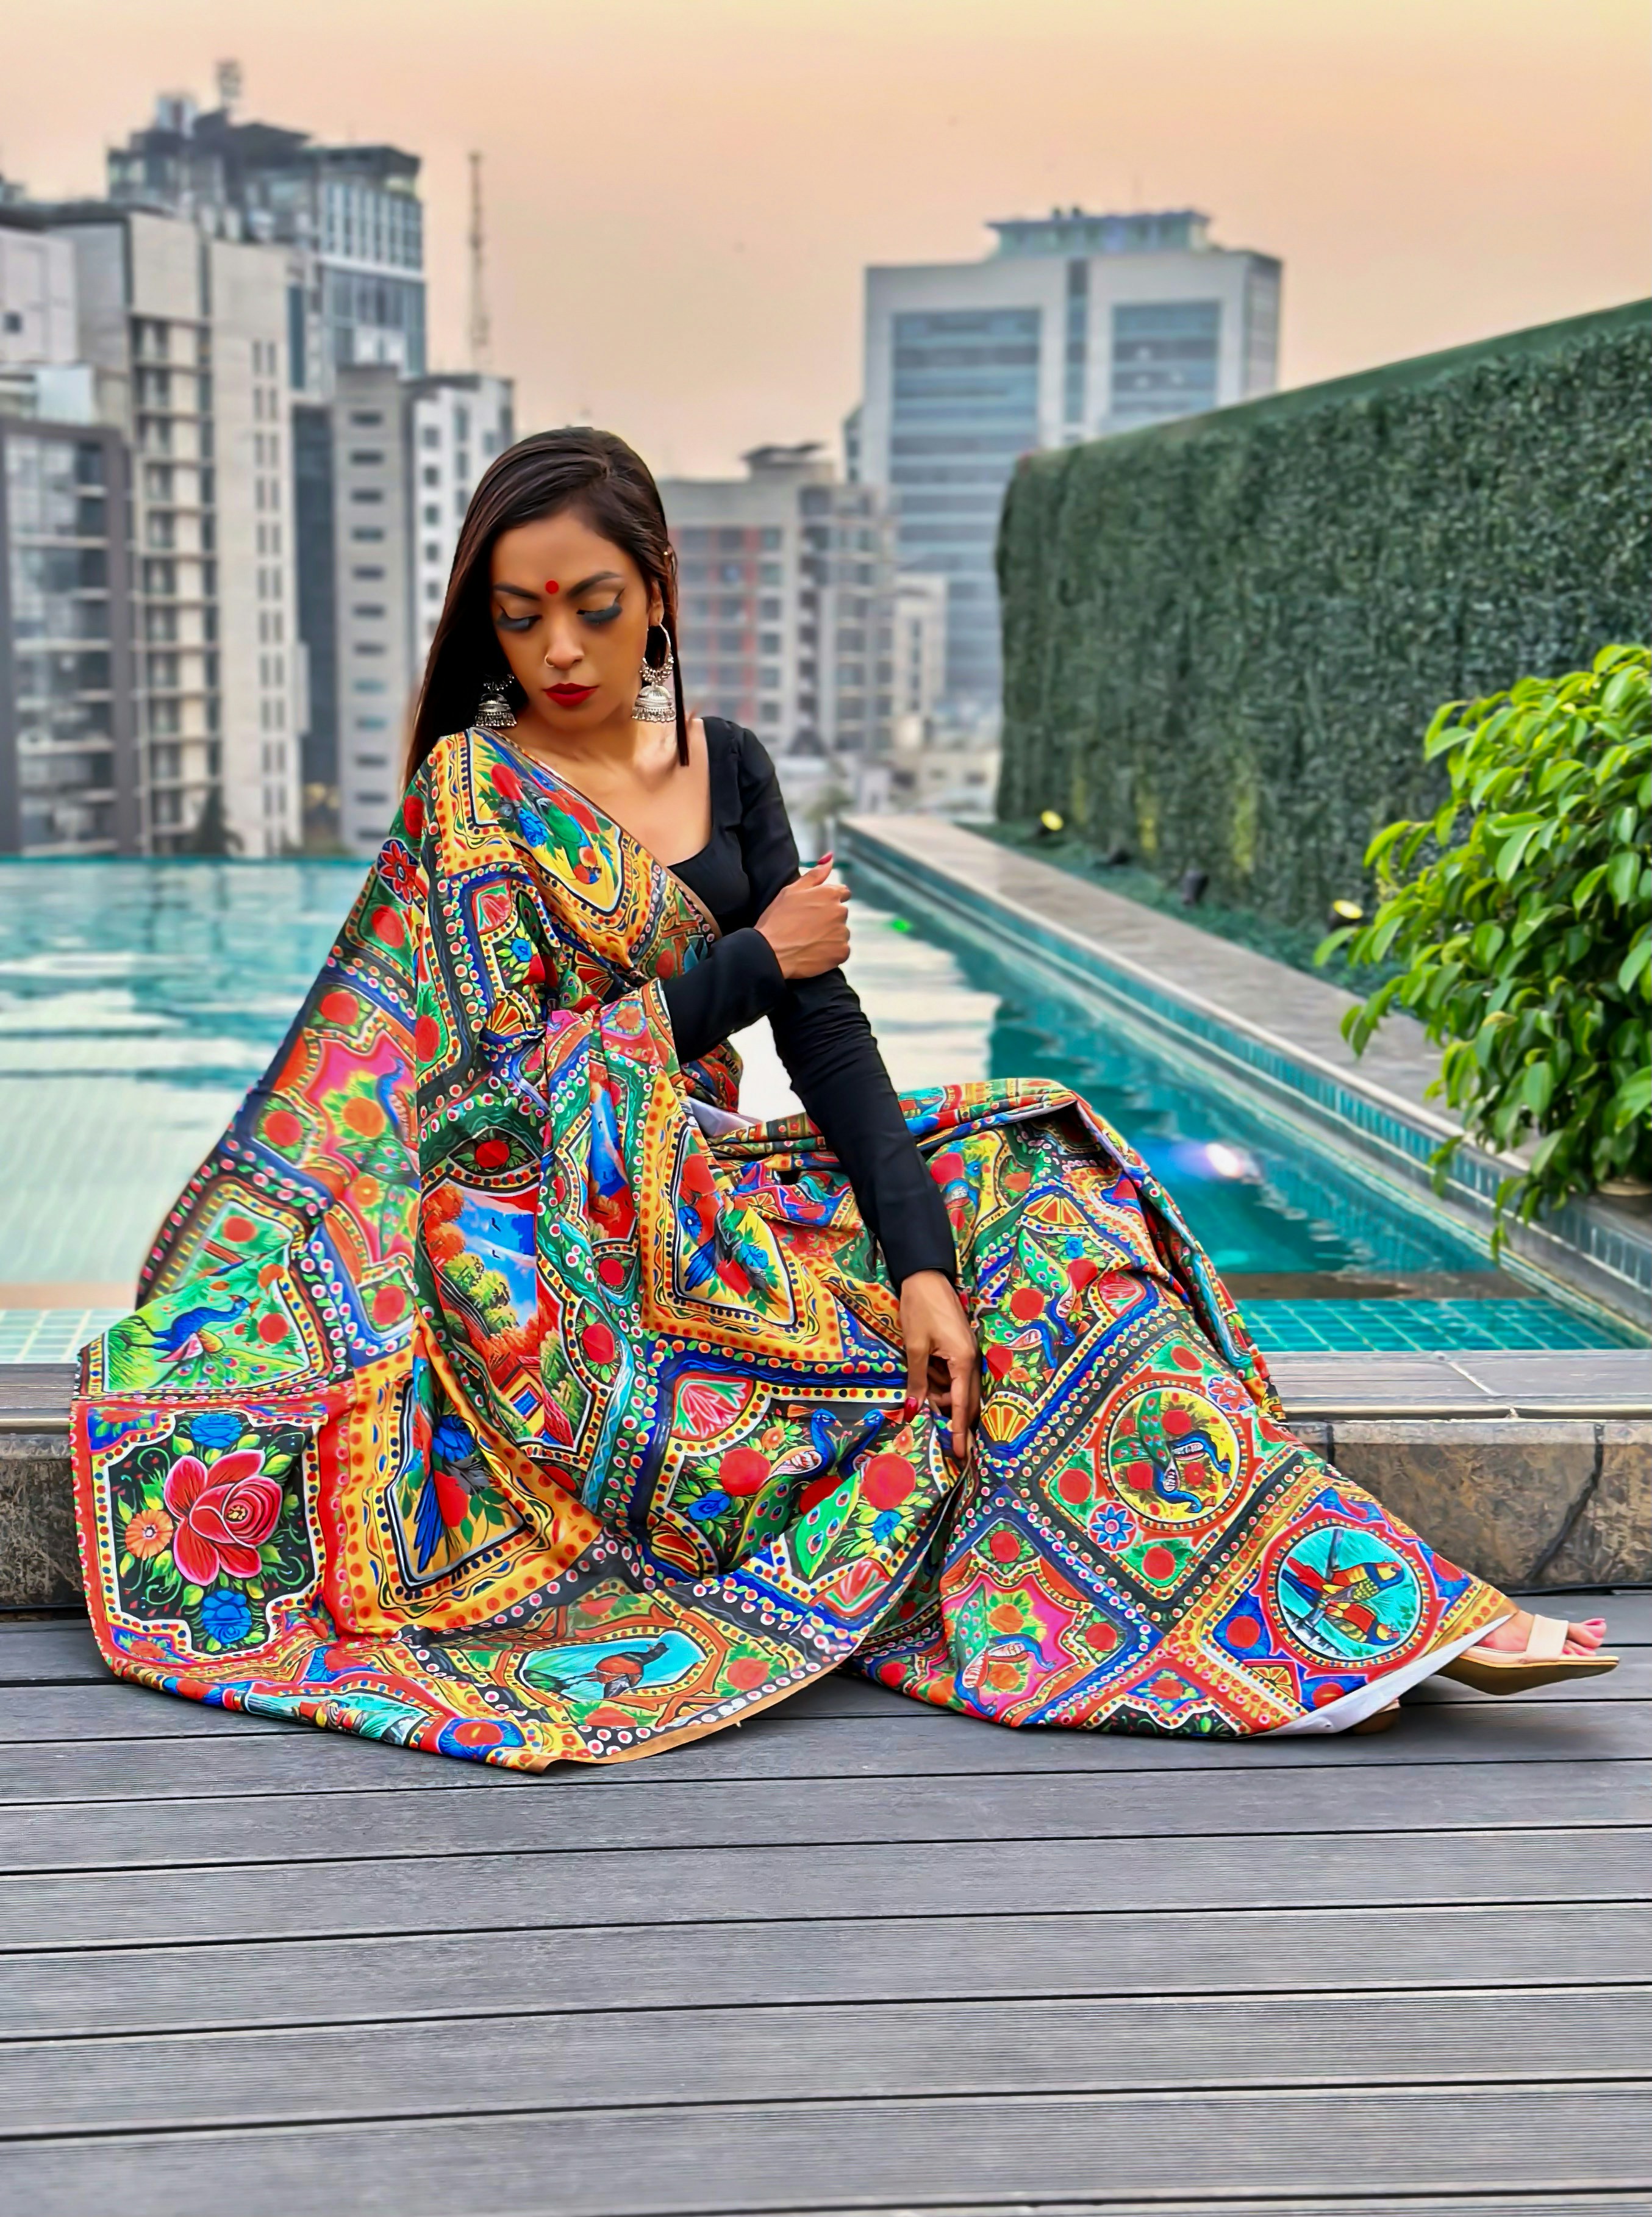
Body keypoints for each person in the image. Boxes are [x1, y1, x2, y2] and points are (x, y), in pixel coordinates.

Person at [71, 430, 1615, 1768]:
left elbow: (828, 1032)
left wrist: (921, 1261)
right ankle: (1302, 1629)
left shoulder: (726, 763)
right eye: (520, 613)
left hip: (704, 1191)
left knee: (1041, 1210)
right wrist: (747, 958)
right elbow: (495, 1102)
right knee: (902, 1314)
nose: (559, 650)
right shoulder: (474, 796)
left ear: (657, 590)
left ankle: (1351, 1606)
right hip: (548, 1250)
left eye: (594, 608)